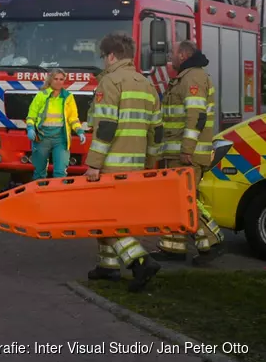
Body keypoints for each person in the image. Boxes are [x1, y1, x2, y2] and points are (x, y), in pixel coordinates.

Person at [84, 32, 162, 292]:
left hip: (110, 165)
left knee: (105, 216)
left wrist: (94, 164)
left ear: (111, 56)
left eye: (104, 56)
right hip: (136, 165)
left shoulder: (110, 82)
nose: (104, 61)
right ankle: (107, 266)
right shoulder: (147, 84)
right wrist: (152, 163)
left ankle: (139, 261)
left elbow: (105, 127)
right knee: (114, 215)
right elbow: (156, 130)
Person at [151, 40, 224, 265]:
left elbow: (196, 116)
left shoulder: (193, 78)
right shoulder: (186, 77)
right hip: (176, 154)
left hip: (186, 155)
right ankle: (173, 248)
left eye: (173, 53)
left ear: (183, 55)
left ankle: (212, 241)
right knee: (175, 200)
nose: (170, 58)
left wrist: (187, 150)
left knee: (186, 199)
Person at [26, 68, 86, 180]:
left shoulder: (68, 97)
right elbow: (31, 115)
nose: (58, 81)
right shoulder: (41, 96)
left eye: (61, 79)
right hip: (42, 138)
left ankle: (58, 196)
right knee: (39, 173)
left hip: (61, 139)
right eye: (56, 79)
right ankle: (39, 195)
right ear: (50, 80)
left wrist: (79, 131)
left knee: (60, 173)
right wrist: (30, 128)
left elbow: (73, 118)